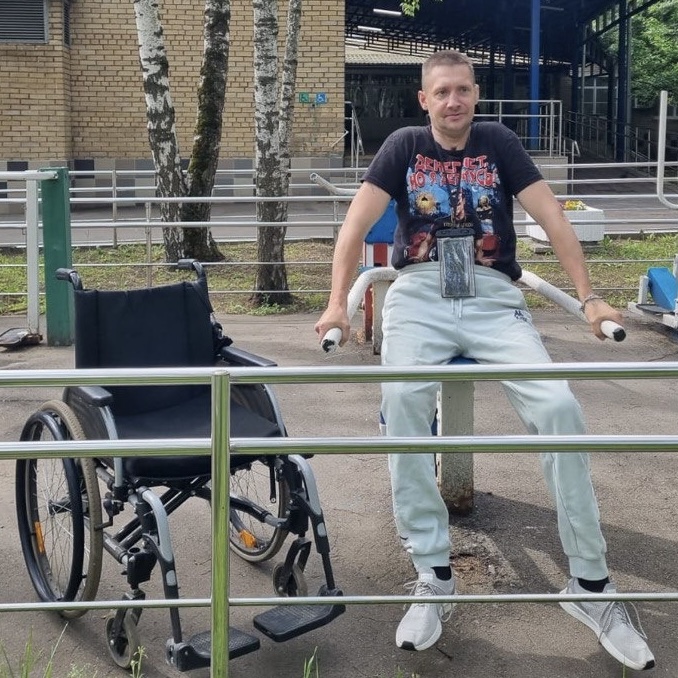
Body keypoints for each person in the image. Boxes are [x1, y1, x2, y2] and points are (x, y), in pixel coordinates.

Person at [314, 49, 655, 671]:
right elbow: (354, 226)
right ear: (425, 99)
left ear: (476, 94)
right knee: (403, 401)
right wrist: (338, 303)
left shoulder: (498, 142)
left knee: (559, 406)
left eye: (464, 90)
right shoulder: (404, 145)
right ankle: (433, 572)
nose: (454, 101)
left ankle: (590, 584)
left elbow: (552, 218)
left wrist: (590, 298)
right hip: (418, 294)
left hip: (494, 296)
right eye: (442, 91)